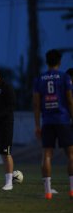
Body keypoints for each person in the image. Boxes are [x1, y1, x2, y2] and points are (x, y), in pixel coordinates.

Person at [33, 49, 73, 200]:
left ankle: (48, 192)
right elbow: (69, 100)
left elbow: (36, 104)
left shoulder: (39, 79)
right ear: (60, 61)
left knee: (47, 155)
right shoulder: (65, 77)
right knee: (70, 155)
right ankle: (72, 190)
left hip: (47, 121)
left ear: (46, 61)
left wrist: (37, 125)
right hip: (63, 120)